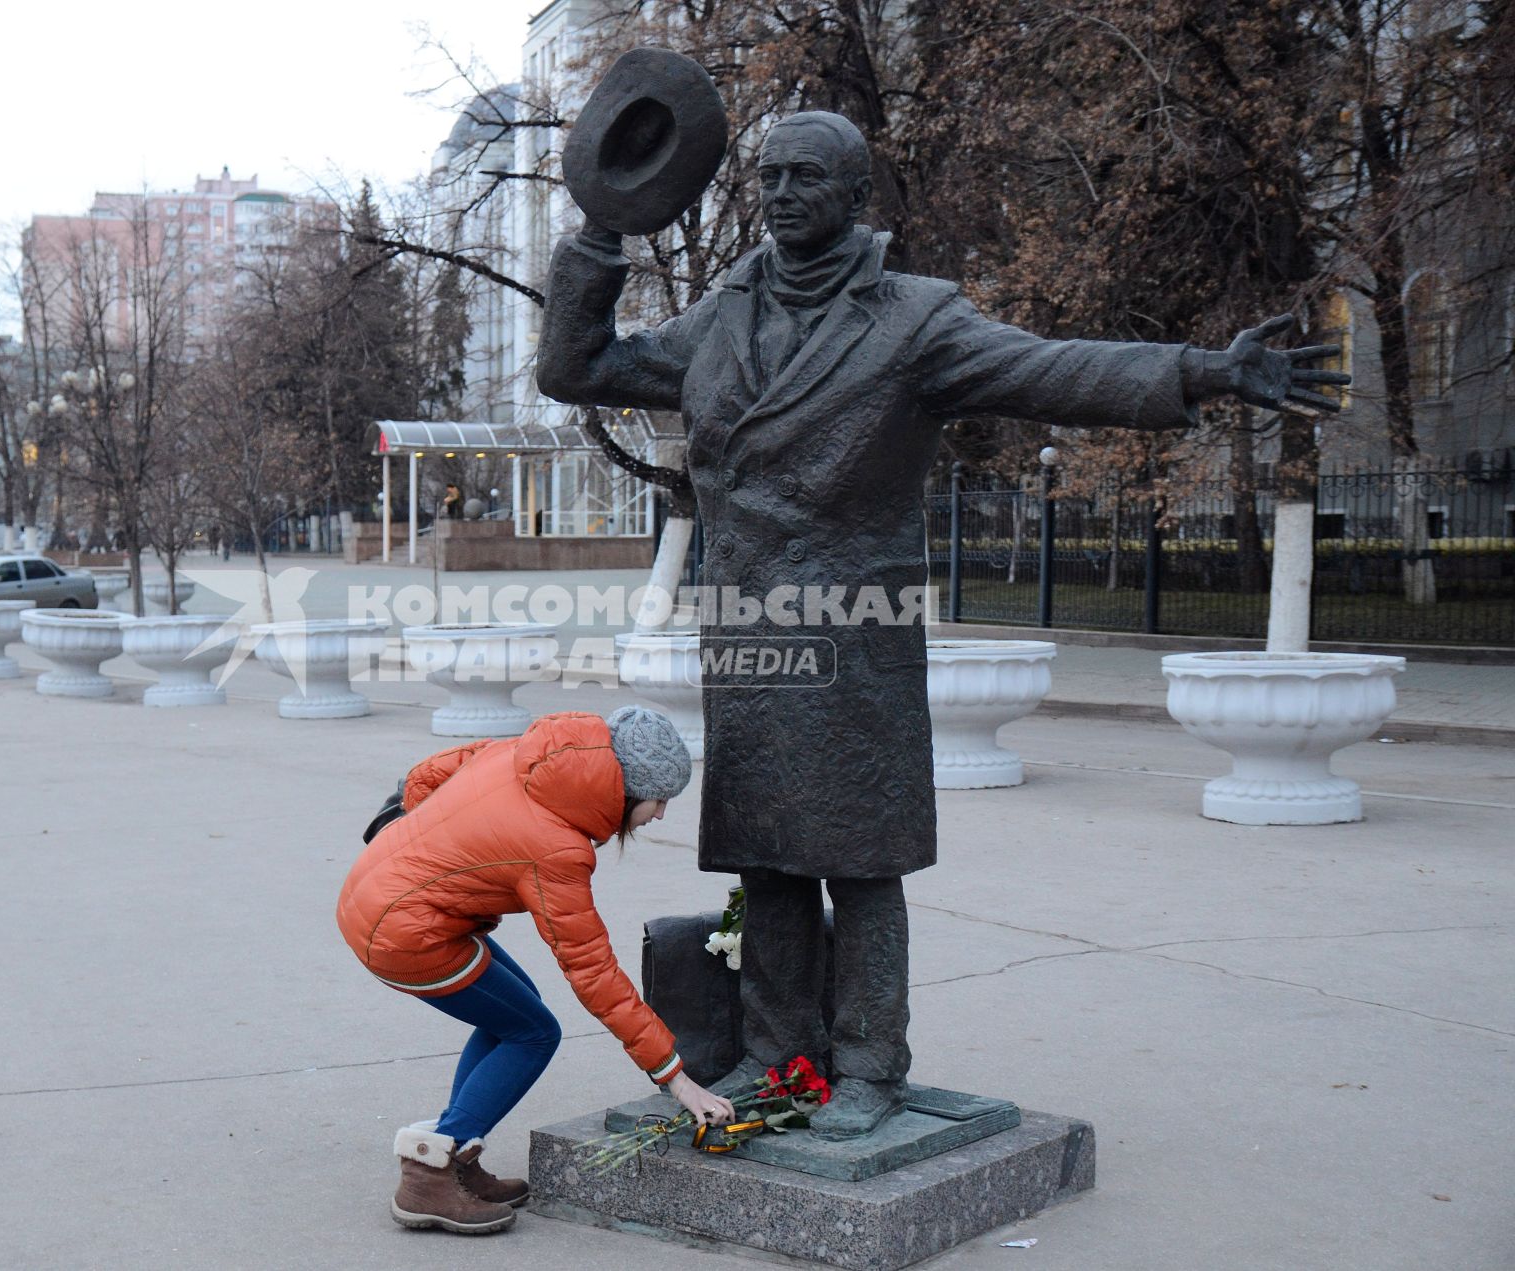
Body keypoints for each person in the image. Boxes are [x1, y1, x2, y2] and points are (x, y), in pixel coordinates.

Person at [537, 110, 1351, 1137]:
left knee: (862, 858)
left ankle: (872, 1064)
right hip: (751, 622)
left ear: (854, 197)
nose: (782, 194)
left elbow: (1048, 368)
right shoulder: (722, 316)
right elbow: (580, 367)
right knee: (766, 855)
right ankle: (777, 1055)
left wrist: (1200, 370)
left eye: (805, 177)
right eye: (770, 177)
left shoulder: (914, 320)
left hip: (856, 633)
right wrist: (599, 237)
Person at [337, 707, 724, 1236]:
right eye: (659, 801)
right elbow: (591, 968)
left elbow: (437, 767)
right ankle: (431, 1173)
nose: (659, 815)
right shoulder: (557, 846)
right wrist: (676, 1079)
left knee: (513, 1014)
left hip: (382, 890)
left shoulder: (529, 755)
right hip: (405, 935)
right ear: (628, 789)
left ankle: (459, 1150)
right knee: (534, 1032)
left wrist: (411, 826)